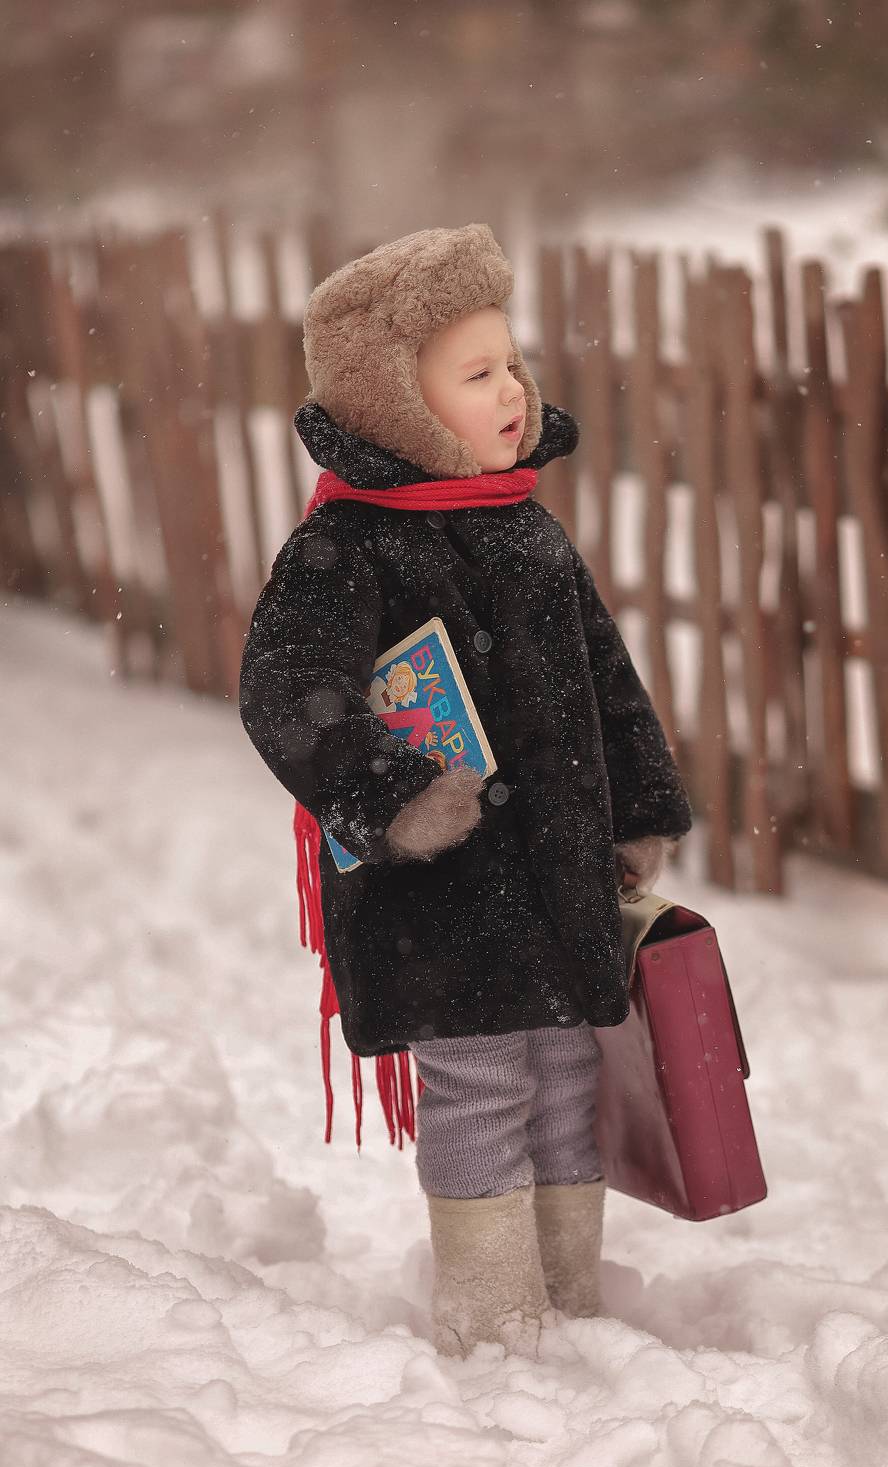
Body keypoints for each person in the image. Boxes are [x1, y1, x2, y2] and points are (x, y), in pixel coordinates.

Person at [238, 223, 692, 1359]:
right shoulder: (345, 547)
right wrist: (389, 793)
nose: (512, 392)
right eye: (477, 373)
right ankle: (492, 1318)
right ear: (397, 399)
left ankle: (568, 1300)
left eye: (512, 365)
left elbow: (605, 678)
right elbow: (287, 688)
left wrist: (638, 810)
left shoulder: (527, 527)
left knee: (568, 1073)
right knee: (483, 1084)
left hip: (559, 870)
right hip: (440, 891)